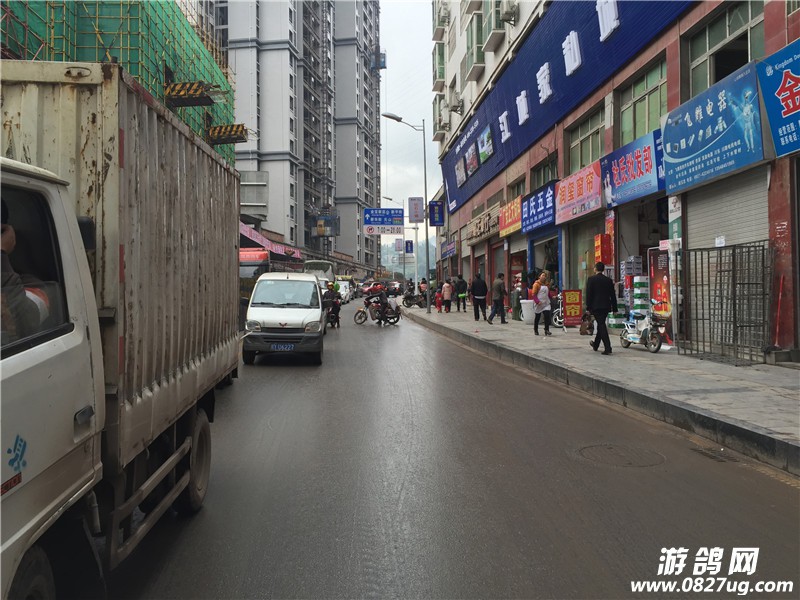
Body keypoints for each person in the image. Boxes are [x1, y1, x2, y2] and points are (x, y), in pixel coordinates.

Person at [585, 261, 617, 355]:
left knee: (601, 325)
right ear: (603, 269)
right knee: (601, 324)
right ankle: (596, 345)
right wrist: (615, 308)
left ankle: (608, 347)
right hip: (606, 306)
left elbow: (589, 295)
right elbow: (613, 295)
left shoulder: (591, 279)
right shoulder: (608, 280)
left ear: (595, 269)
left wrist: (588, 307)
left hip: (596, 307)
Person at [531, 270, 552, 336]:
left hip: (546, 303)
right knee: (537, 317)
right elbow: (534, 294)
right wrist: (537, 301)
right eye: (542, 275)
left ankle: (546, 330)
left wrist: (552, 297)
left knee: (547, 316)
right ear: (539, 276)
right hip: (539, 303)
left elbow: (548, 293)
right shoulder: (536, 284)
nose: (544, 277)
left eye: (545, 276)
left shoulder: (547, 284)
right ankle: (536, 330)